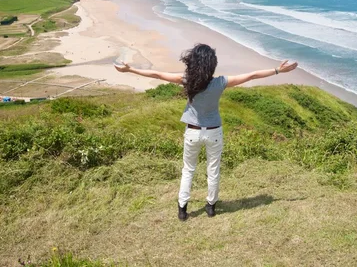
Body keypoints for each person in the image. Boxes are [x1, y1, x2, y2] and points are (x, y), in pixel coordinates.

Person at [114, 43, 298, 221]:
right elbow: (251, 76)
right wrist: (277, 70)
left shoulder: (187, 80)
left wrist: (130, 70)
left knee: (188, 170)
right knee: (213, 170)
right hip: (214, 132)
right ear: (212, 64)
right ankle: (210, 207)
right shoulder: (220, 82)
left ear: (192, 62)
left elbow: (157, 74)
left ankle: (183, 209)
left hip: (192, 132)